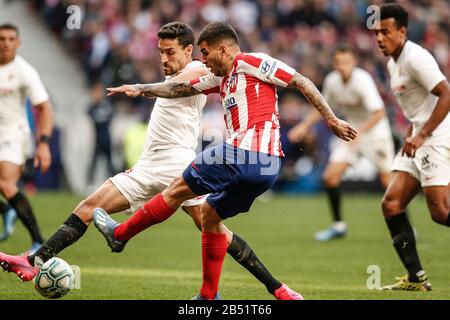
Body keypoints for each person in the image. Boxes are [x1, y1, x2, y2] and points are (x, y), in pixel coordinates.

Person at [0, 22, 301, 300]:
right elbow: (171, 83)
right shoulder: (179, 73)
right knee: (91, 209)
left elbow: (184, 82)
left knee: (212, 227)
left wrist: (142, 89)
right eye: (160, 52)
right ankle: (32, 261)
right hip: (150, 165)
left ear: (189, 50)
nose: (164, 59)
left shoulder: (199, 67)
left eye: (171, 52)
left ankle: (272, 288)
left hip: (176, 163)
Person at [100, 22, 357, 300]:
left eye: (206, 53)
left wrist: (331, 119)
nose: (203, 61)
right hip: (267, 169)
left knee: (176, 188)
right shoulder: (220, 77)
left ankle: (121, 234)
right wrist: (140, 88)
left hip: (244, 153)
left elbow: (301, 81)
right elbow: (179, 89)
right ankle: (211, 295)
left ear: (224, 50)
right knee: (209, 215)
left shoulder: (252, 62)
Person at [373, 4, 449, 291]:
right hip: (418, 136)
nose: (380, 38)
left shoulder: (416, 58)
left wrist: (423, 134)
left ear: (402, 31)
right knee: (391, 204)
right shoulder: (394, 61)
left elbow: (446, 94)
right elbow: (419, 106)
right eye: (377, 32)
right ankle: (417, 278)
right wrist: (412, 133)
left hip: (437, 136)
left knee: (440, 213)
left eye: (386, 32)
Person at [288, 45, 395, 241]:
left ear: (353, 62)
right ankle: (339, 227)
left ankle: (406, 228)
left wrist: (361, 132)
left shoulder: (363, 80)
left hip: (375, 133)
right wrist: (303, 126)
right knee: (330, 177)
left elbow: (379, 113)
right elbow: (322, 108)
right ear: (334, 64)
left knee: (389, 184)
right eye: (338, 62)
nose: (342, 66)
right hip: (351, 132)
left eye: (346, 62)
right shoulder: (332, 81)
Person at [0, 24, 53, 252]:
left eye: (11, 39)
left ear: (18, 43)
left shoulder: (24, 71)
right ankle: (6, 210)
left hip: (14, 133)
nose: (6, 43)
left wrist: (44, 145)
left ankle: (38, 241)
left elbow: (45, 108)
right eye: (2, 38)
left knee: (5, 183)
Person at [86, 82, 116, 185]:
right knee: (93, 165)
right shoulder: (92, 107)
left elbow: (110, 117)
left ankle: (115, 183)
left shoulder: (107, 106)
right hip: (97, 140)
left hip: (106, 140)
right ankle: (88, 184)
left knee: (110, 164)